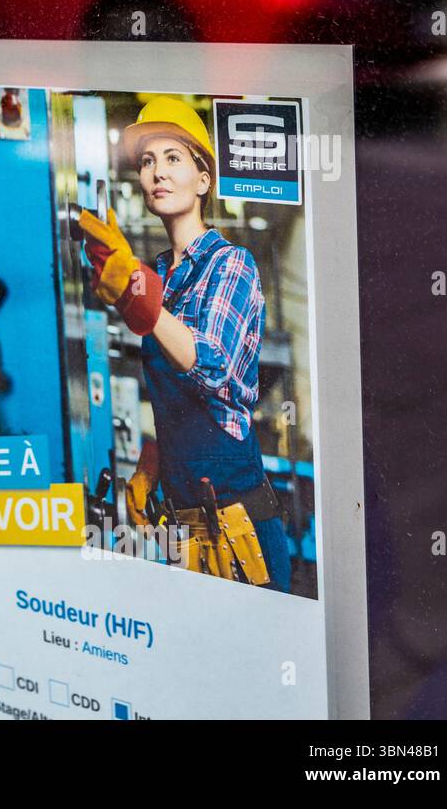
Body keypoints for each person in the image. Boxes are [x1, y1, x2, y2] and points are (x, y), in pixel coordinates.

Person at [79, 96, 291, 592]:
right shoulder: (155, 275)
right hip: (180, 529)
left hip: (239, 533)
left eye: (173, 158)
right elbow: (173, 395)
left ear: (204, 180)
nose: (157, 172)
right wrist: (149, 464)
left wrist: (141, 295)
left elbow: (213, 367)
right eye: (148, 162)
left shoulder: (231, 265)